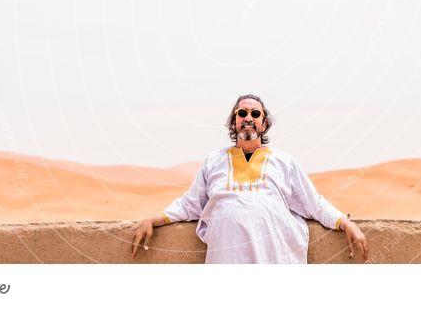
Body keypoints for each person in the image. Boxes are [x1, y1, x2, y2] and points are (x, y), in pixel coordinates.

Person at [131, 93, 369, 263]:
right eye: (242, 112)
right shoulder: (213, 161)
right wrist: (153, 219)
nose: (248, 117)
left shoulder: (284, 161)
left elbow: (313, 202)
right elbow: (190, 203)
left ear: (264, 124)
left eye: (255, 113)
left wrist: (346, 224)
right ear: (234, 121)